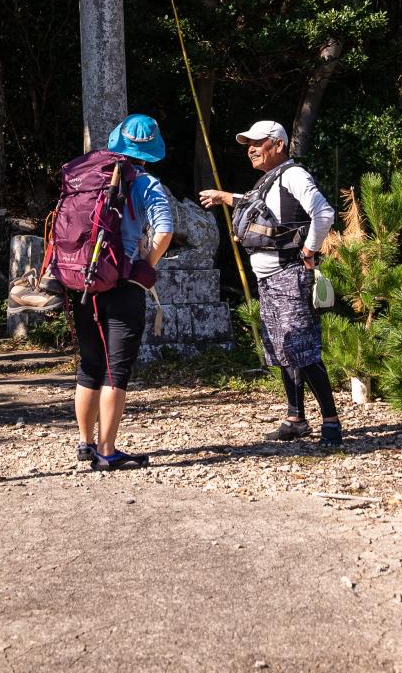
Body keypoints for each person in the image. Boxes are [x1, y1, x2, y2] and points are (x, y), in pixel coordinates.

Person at [198, 120, 341, 446]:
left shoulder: (293, 175)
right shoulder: (269, 180)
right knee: (283, 348)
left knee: (302, 350)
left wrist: (308, 251)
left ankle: (331, 422)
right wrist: (224, 196)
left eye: (258, 142)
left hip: (289, 274)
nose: (250, 148)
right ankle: (295, 419)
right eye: (247, 142)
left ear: (278, 144)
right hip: (270, 279)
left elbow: (324, 213)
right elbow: (251, 203)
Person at [70, 113, 173, 471]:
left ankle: (84, 445)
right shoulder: (146, 183)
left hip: (82, 280)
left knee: (89, 366)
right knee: (116, 371)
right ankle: (106, 450)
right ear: (151, 151)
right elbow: (165, 231)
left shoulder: (88, 176)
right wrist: (145, 264)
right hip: (122, 283)